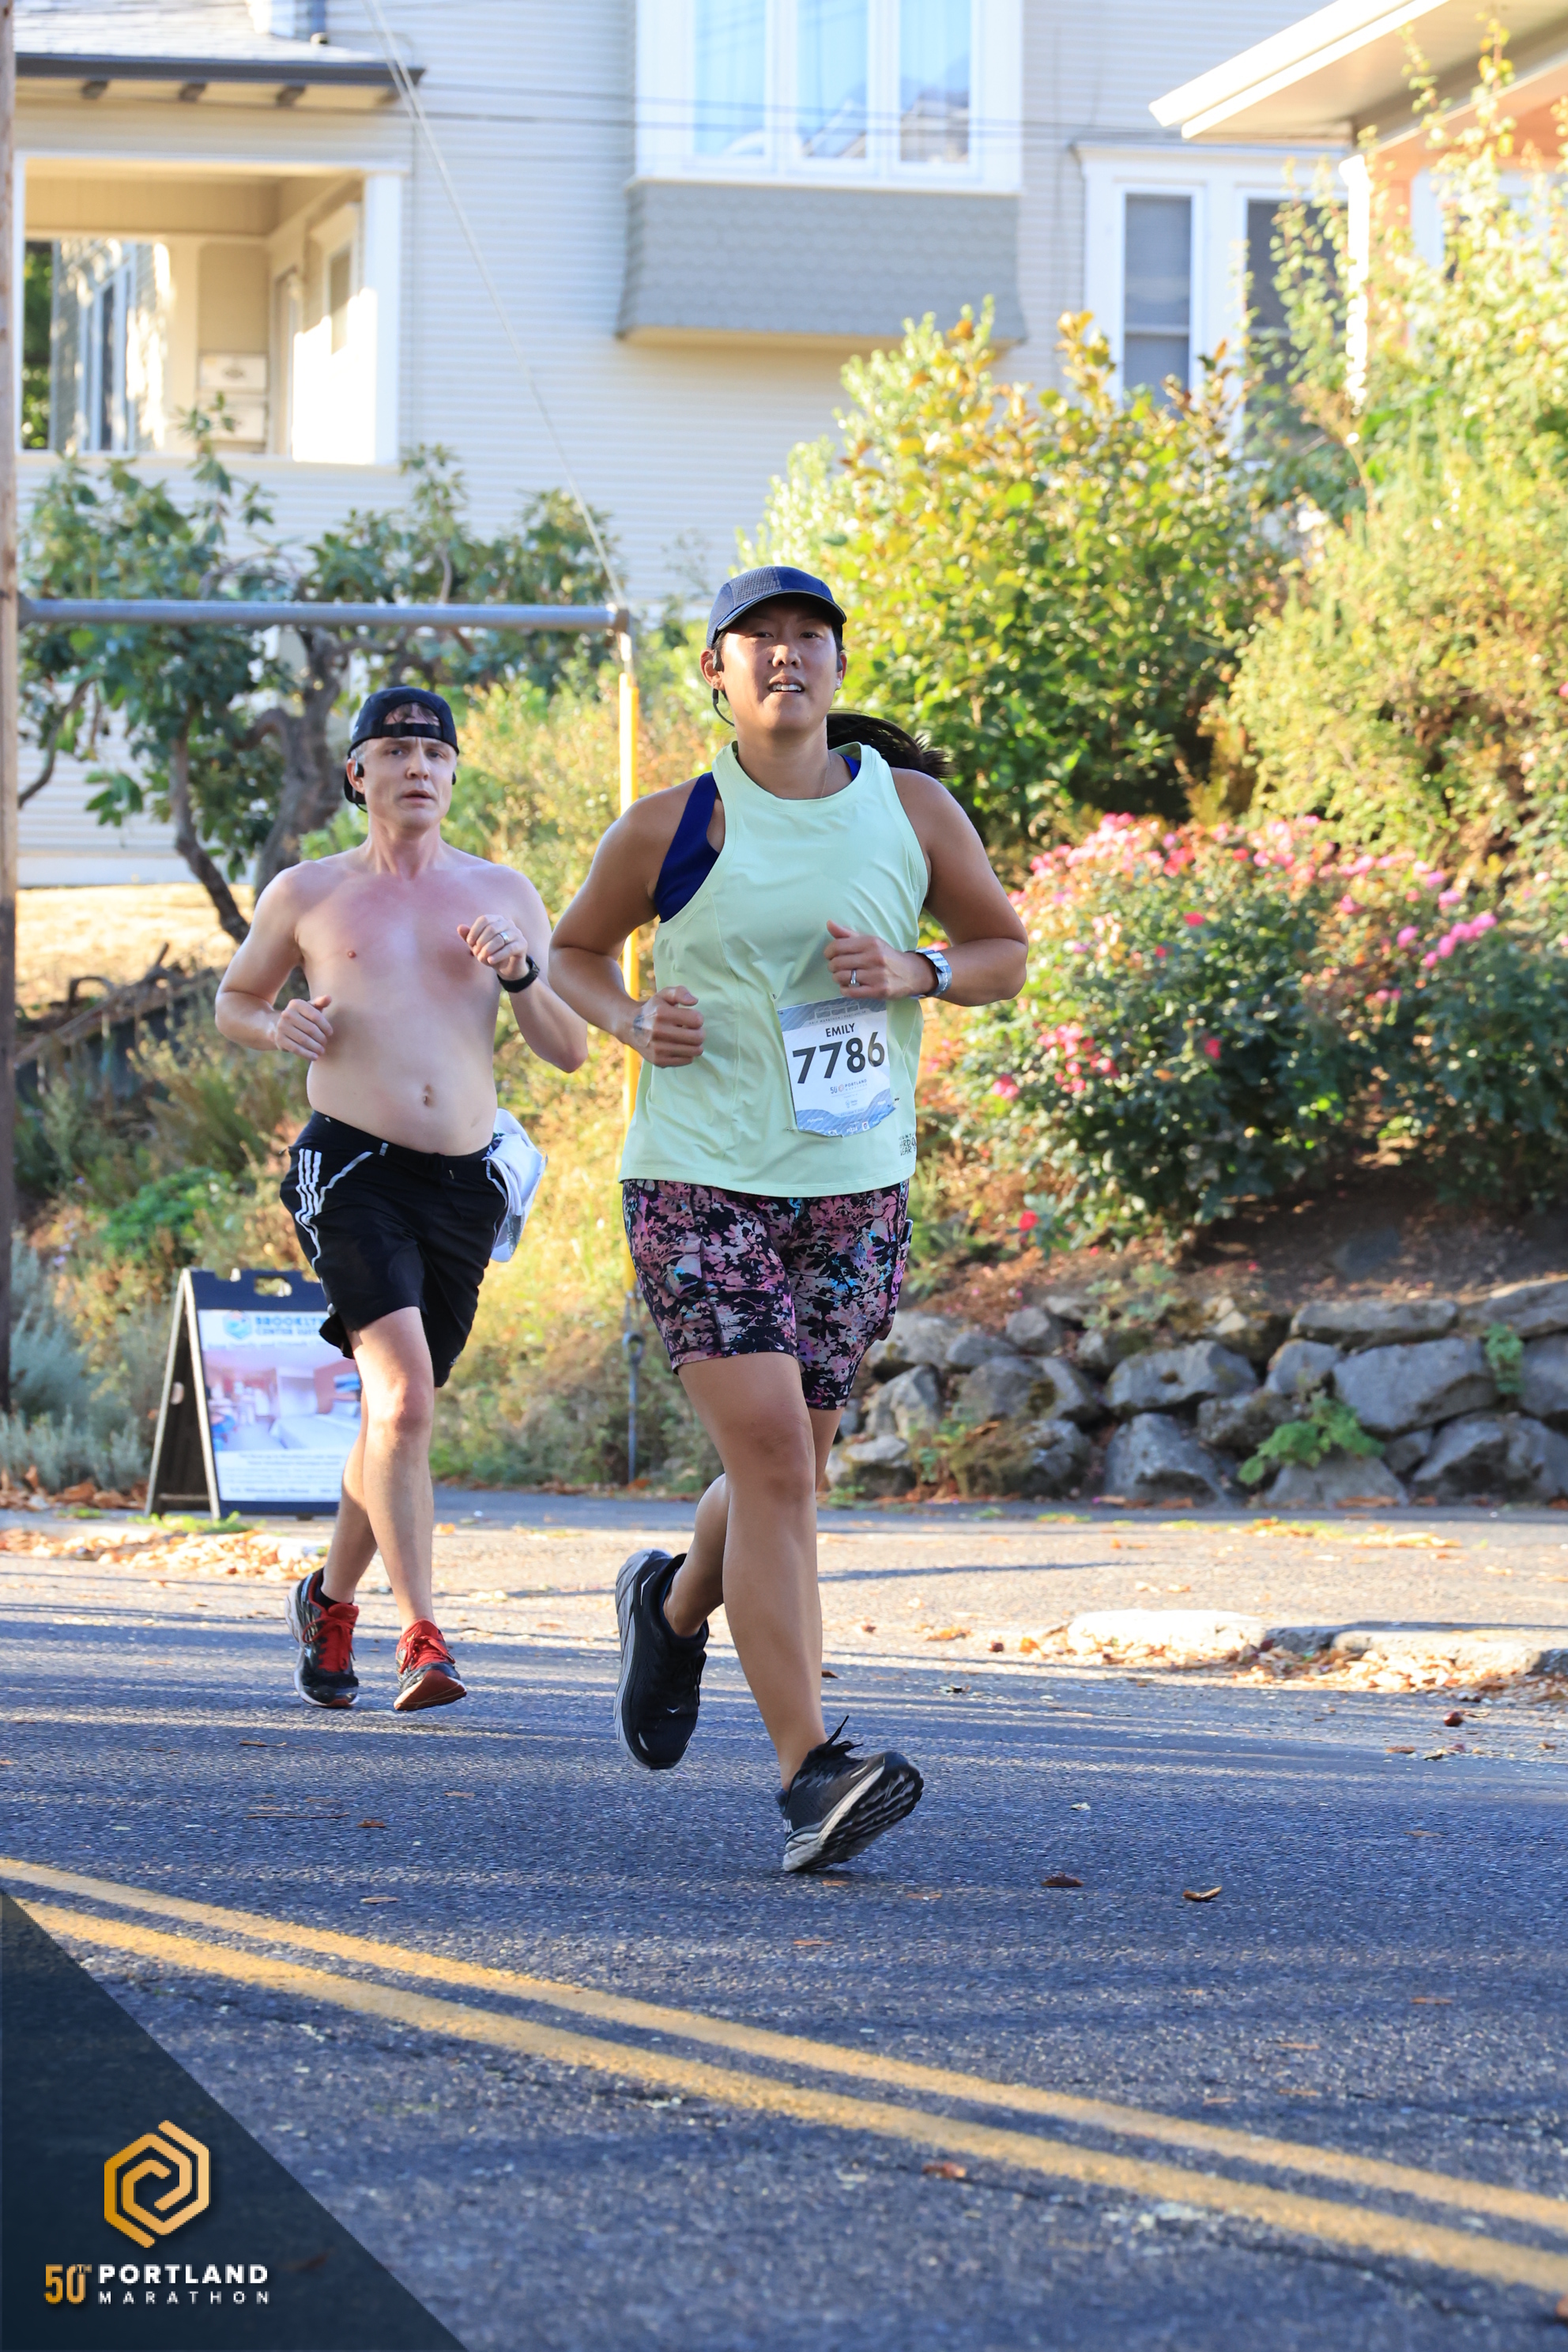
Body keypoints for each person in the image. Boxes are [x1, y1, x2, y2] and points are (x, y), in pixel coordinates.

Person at [550, 566, 1027, 1871]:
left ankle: (673, 1605)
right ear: (716, 670)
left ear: (836, 666)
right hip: (699, 1175)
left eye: (809, 636)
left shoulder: (909, 810)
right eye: (757, 639)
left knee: (790, 1477)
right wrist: (631, 1018)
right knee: (771, 1465)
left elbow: (1002, 950)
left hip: (854, 1186)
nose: (785, 656)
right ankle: (811, 1769)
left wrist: (918, 968)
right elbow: (576, 951)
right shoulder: (673, 825)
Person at [215, 686, 587, 1714]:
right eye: (394, 749)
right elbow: (235, 999)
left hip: (464, 1186)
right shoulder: (309, 891)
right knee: (407, 1397)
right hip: (350, 1170)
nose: (417, 766)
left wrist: (522, 975)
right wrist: (275, 1026)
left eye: (434, 752)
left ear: (455, 773)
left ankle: (328, 1601)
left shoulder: (502, 892)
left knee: (396, 1414)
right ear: (358, 773)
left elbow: (567, 1049)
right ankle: (421, 1636)